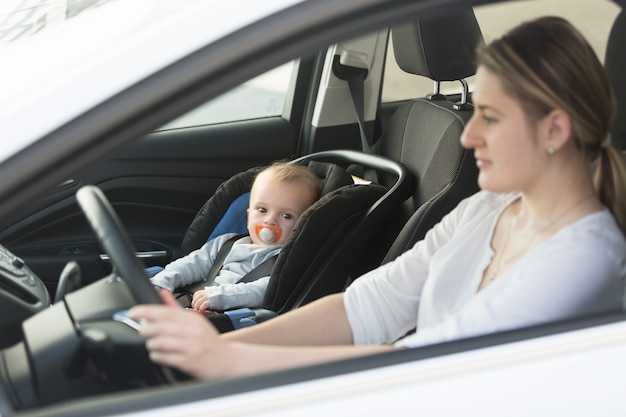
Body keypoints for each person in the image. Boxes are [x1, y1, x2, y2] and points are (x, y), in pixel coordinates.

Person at [129, 16, 626, 380]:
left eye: (490, 117)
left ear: (554, 130)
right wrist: (216, 348)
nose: (469, 137)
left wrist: (226, 360)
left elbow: (428, 365)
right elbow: (369, 305)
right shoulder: (487, 210)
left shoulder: (583, 257)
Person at [150, 162, 322, 311]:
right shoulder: (226, 243)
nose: (270, 221)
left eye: (286, 216)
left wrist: (222, 296)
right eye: (262, 210)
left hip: (235, 317)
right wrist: (164, 282)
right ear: (249, 214)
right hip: (196, 303)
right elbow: (192, 264)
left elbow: (265, 290)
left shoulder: (289, 260)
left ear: (303, 223)